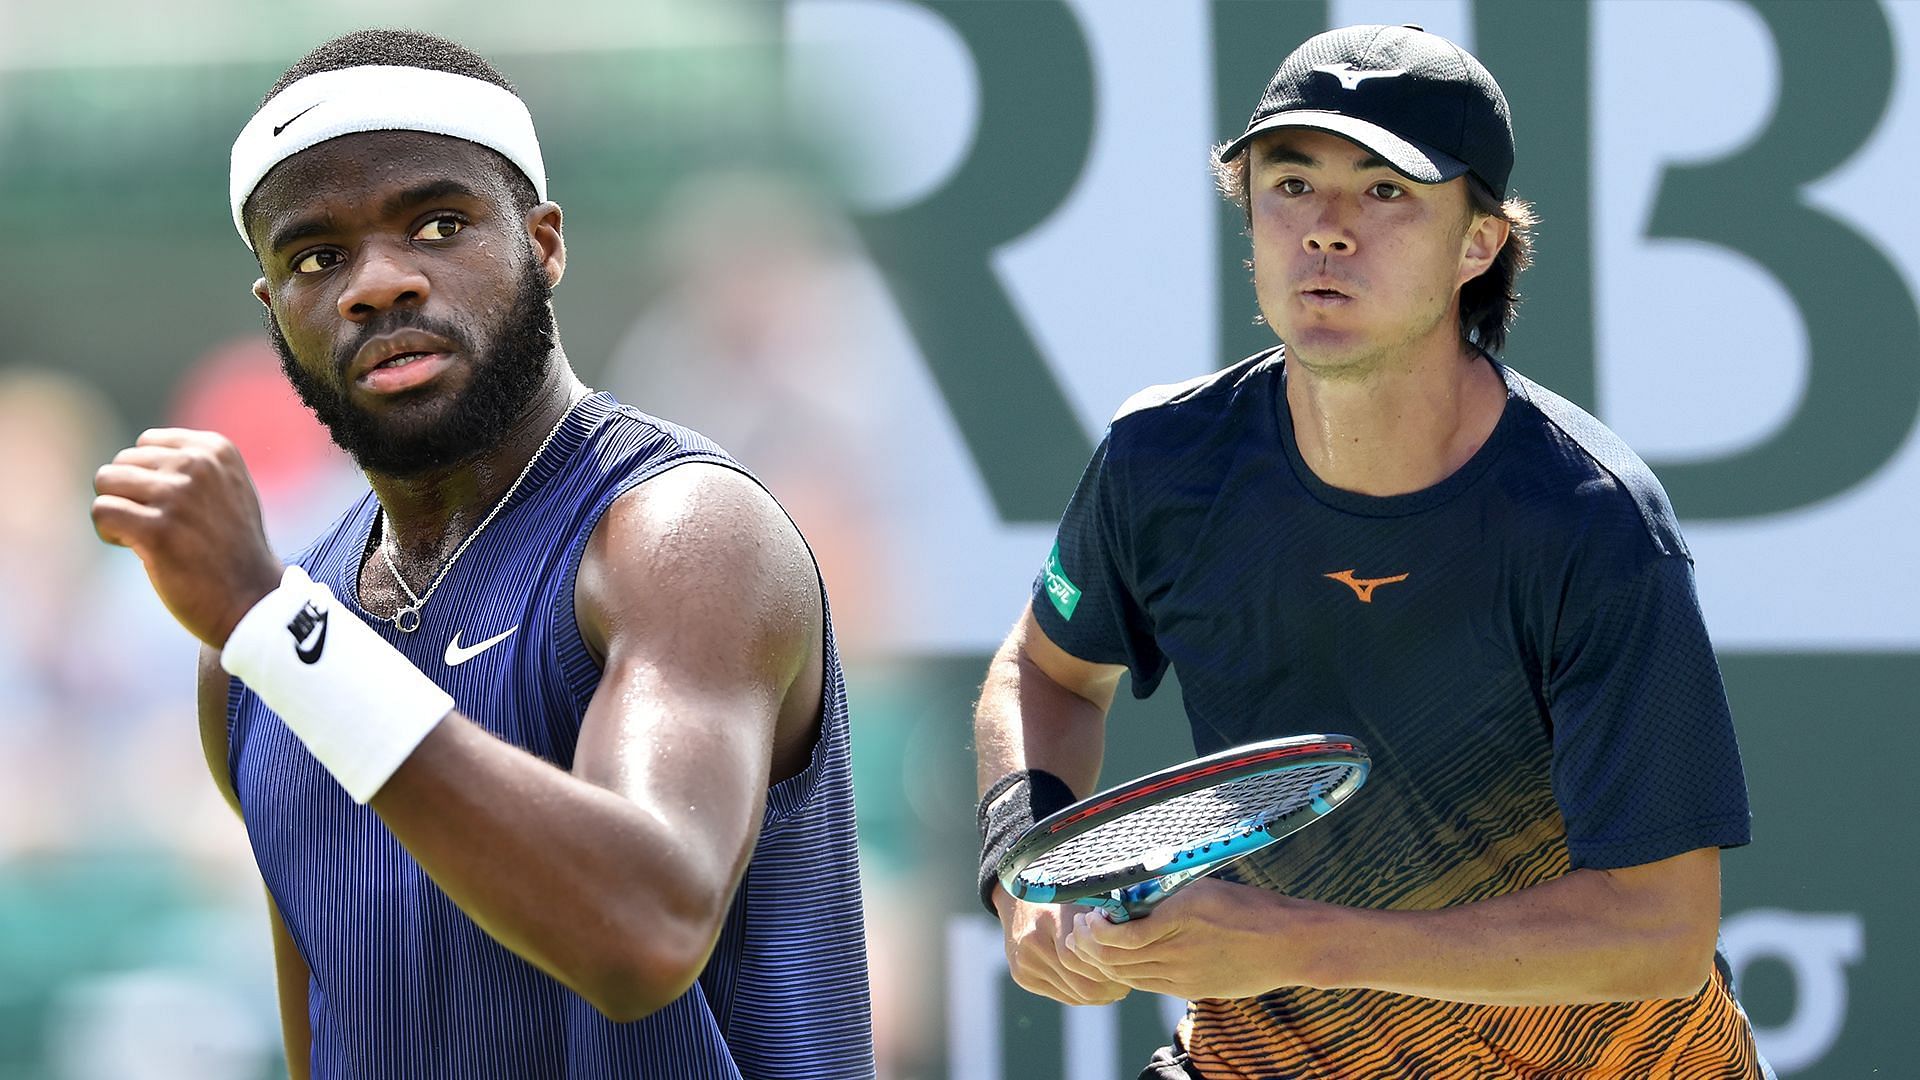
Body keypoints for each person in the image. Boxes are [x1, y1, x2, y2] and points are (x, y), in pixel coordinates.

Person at [973, 24, 1772, 1080]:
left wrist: (1293, 940)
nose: (1328, 230)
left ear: (1478, 244)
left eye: (1387, 191)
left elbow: (1659, 933)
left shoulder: (1593, 519)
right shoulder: (1159, 462)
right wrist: (1028, 867)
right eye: (1291, 184)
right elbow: (1045, 672)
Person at [89, 29, 874, 1080]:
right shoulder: (255, 657)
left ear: (543, 243)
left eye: (438, 223)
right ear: (276, 312)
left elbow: (647, 929)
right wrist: (274, 635)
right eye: (317, 256)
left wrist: (278, 630)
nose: (377, 283)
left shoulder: (684, 534)